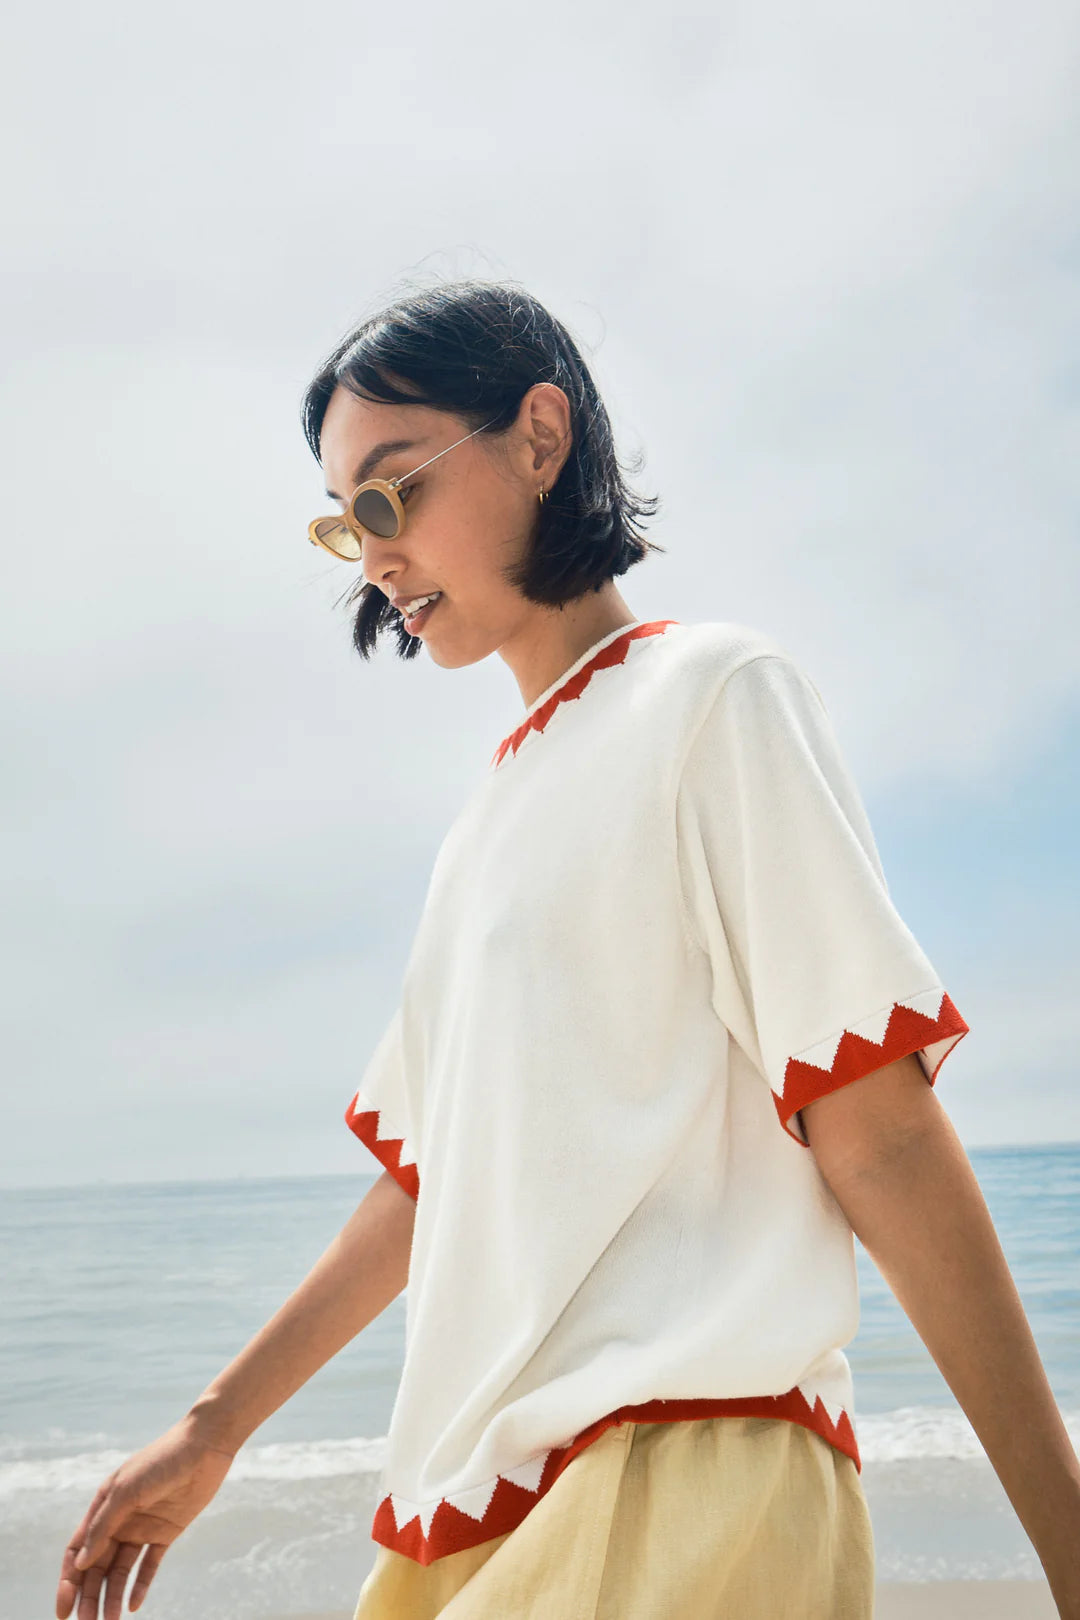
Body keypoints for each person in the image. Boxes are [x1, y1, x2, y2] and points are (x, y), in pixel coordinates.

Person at [56, 280, 1080, 1620]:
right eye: (345, 521)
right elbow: (429, 1184)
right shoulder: (483, 828)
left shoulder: (713, 696)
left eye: (391, 492)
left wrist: (1068, 1546)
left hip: (693, 1477)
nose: (373, 556)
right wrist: (213, 1429)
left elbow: (876, 1128)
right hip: (477, 1512)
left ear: (540, 436)